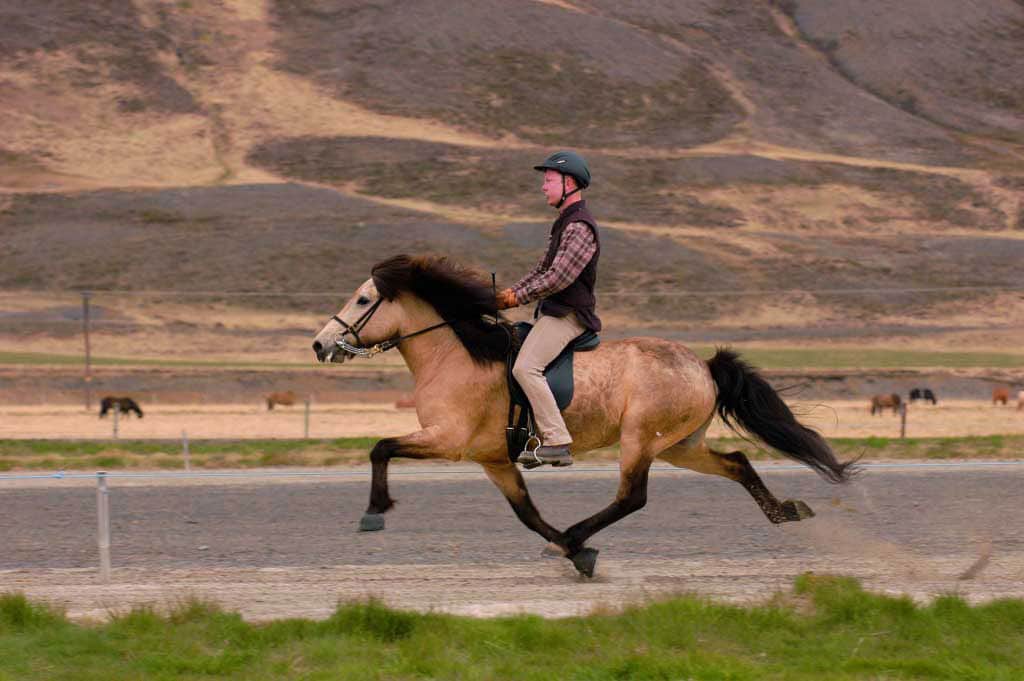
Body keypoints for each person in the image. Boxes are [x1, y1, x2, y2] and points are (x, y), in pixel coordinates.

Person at [496, 150, 601, 468]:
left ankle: (556, 441)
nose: (543, 187)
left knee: (525, 368)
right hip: (552, 312)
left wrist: (519, 298)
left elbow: (559, 277)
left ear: (569, 183)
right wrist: (511, 292)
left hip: (569, 316)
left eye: (549, 180)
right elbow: (542, 269)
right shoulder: (563, 224)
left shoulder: (580, 227)